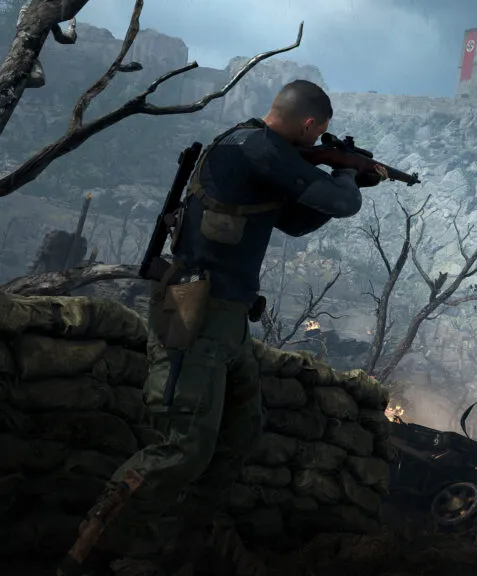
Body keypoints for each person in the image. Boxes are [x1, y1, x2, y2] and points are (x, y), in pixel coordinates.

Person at [61, 80, 387, 576]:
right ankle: (87, 558)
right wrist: (350, 179)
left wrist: (349, 175)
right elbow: (340, 203)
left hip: (227, 320)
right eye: (318, 135)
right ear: (310, 126)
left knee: (238, 435)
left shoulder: (265, 153)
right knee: (183, 448)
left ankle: (182, 554)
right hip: (194, 311)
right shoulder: (253, 146)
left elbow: (297, 221)